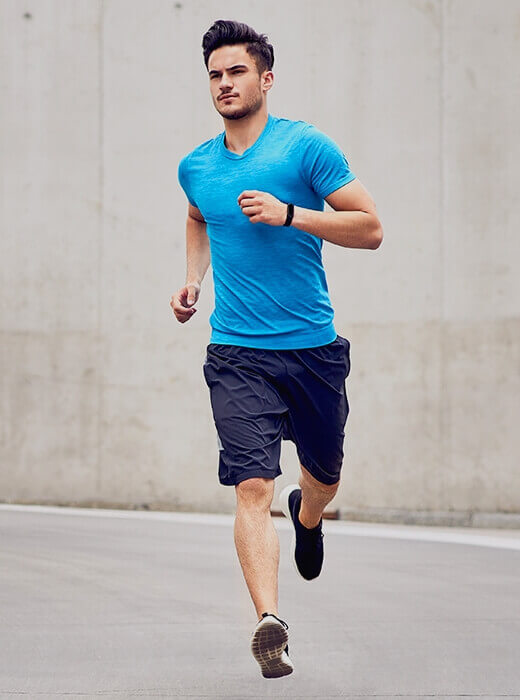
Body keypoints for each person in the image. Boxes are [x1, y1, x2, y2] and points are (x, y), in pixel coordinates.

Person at [170, 19, 383, 679]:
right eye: (215, 74)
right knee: (251, 483)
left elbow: (371, 227)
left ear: (265, 78)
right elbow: (199, 215)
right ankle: (270, 622)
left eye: (236, 72)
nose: (224, 84)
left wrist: (292, 213)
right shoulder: (196, 166)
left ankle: (310, 515)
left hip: (312, 352)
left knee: (323, 478)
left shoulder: (305, 149)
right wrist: (192, 280)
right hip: (236, 352)